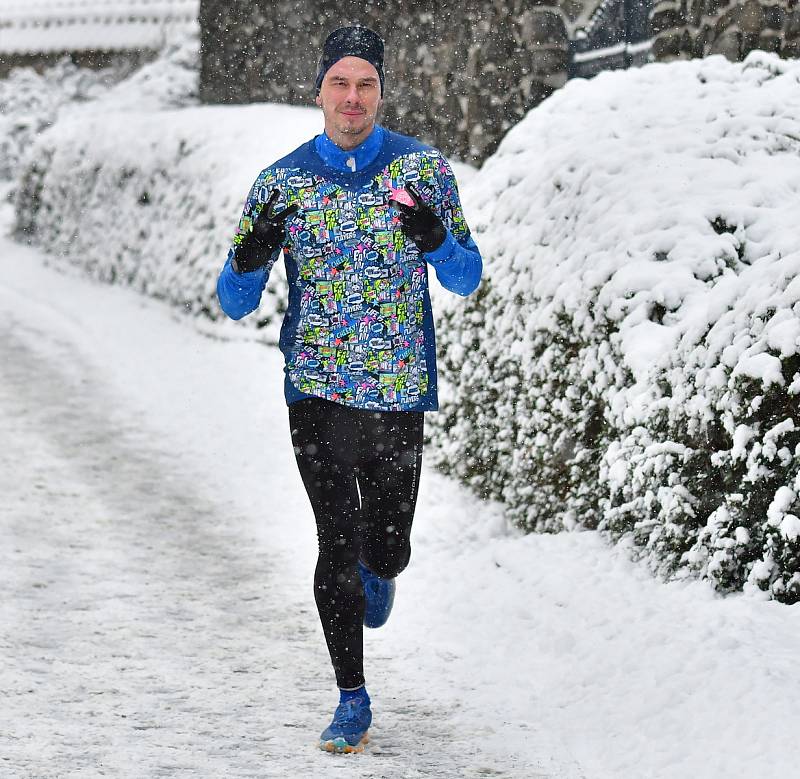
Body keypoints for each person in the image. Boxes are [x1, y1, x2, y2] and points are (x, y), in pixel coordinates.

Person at [216, 25, 482, 754]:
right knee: (334, 537)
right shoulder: (282, 183)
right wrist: (248, 254)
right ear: (319, 91)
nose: (353, 97)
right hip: (318, 388)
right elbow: (234, 299)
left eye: (365, 84)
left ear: (381, 92)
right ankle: (351, 698)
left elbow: (466, 275)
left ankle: (380, 566)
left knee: (384, 546)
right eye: (340, 82)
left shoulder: (423, 172)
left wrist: (436, 239)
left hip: (397, 389)